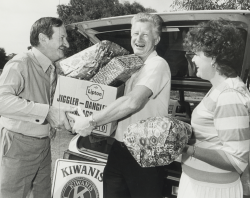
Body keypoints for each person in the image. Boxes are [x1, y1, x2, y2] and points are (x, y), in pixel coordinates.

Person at [69, 12, 171, 198]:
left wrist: (92, 121)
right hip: (120, 147)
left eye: (145, 35)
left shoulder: (157, 64)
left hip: (146, 151)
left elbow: (133, 102)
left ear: (156, 39)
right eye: (135, 33)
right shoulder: (131, 65)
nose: (138, 39)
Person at [0, 17, 76, 198]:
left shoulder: (52, 68)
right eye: (62, 38)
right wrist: (47, 112)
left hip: (43, 145)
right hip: (19, 145)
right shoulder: (20, 63)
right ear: (43, 39)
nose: (66, 43)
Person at [178, 19, 250, 198]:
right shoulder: (219, 88)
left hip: (212, 191)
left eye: (196, 53)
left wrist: (184, 148)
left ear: (213, 57)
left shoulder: (229, 95)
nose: (193, 59)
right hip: (199, 185)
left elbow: (237, 161)